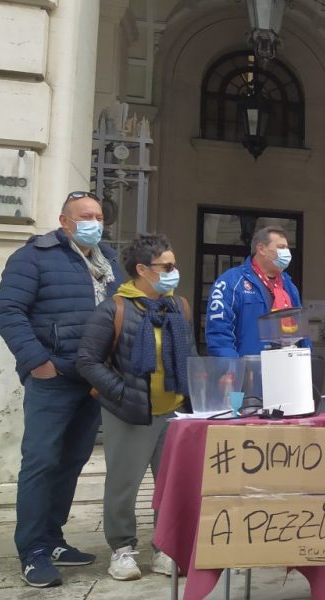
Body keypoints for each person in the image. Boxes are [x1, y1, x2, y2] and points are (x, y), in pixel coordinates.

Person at [0, 191, 124, 588]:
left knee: (71, 461)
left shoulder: (110, 260)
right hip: (54, 378)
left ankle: (53, 538)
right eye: (85, 216)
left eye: (99, 216)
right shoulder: (33, 256)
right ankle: (31, 550)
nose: (94, 223)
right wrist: (37, 362)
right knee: (41, 461)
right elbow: (7, 310)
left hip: (93, 379)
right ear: (64, 221)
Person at [76, 233, 196, 581]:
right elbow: (87, 361)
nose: (174, 272)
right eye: (167, 267)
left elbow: (188, 354)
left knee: (172, 485)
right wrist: (122, 392)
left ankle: (165, 547)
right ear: (142, 269)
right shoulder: (115, 307)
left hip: (172, 411)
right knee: (123, 485)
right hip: (128, 411)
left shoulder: (178, 306)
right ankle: (123, 549)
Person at [205, 225, 307, 357]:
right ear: (261, 249)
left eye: (287, 248)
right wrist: (233, 370)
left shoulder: (288, 285)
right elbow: (219, 334)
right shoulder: (231, 281)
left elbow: (301, 335)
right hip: (248, 371)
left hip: (286, 368)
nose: (287, 253)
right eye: (281, 247)